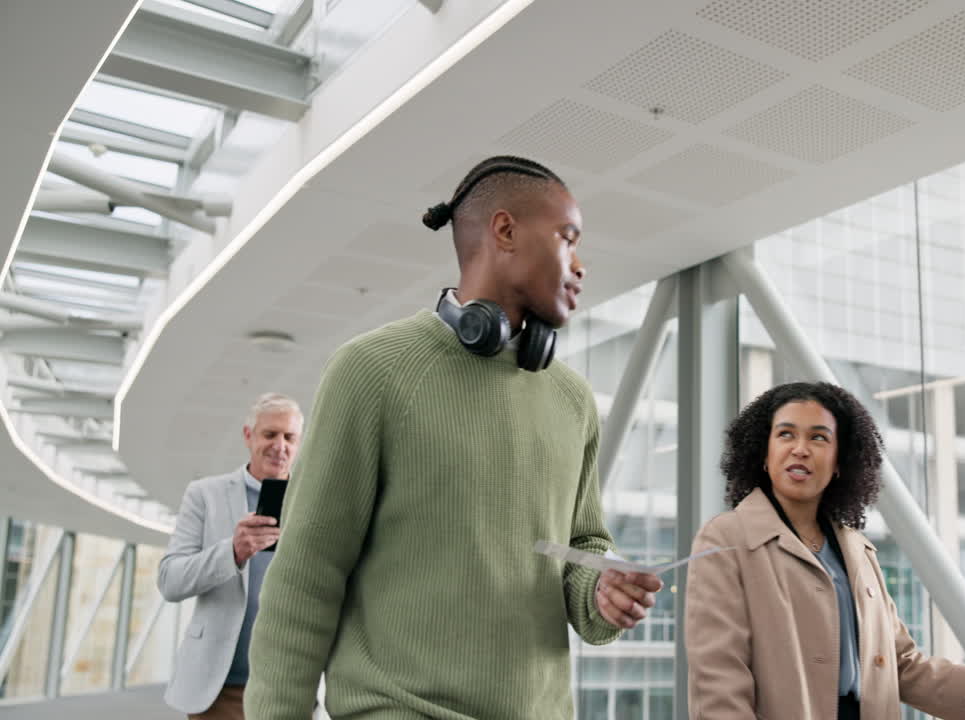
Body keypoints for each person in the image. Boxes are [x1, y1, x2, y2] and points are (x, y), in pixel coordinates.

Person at [245, 156, 662, 720]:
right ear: (505, 231)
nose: (580, 264)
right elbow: (306, 574)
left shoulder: (572, 400)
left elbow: (580, 543)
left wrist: (599, 590)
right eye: (568, 238)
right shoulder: (372, 370)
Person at [685, 382, 965, 720]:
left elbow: (905, 667)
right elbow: (719, 681)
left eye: (818, 437)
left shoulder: (857, 549)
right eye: (785, 435)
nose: (800, 449)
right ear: (763, 454)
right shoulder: (726, 539)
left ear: (840, 462)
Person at [157, 393, 304, 719]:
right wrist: (232, 552)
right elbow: (170, 581)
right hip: (220, 689)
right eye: (270, 434)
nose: (280, 445)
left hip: (289, 688)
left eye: (289, 437)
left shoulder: (312, 503)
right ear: (248, 436)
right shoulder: (205, 495)